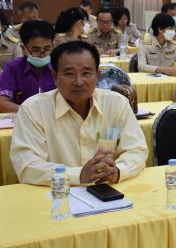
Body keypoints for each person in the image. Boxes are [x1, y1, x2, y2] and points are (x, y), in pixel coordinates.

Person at [10, 41, 148, 185]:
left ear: (97, 75)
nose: (79, 82)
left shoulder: (116, 103)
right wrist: (78, 175)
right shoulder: (33, 110)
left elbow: (136, 150)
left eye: (86, 73)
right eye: (69, 74)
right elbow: (27, 166)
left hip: (107, 192)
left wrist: (118, 171)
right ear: (55, 77)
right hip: (56, 197)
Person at [0, 20, 56, 113]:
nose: (42, 55)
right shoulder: (13, 68)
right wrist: (32, 113)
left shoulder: (60, 67)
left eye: (47, 49)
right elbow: (2, 103)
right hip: (23, 120)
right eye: (36, 50)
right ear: (23, 49)